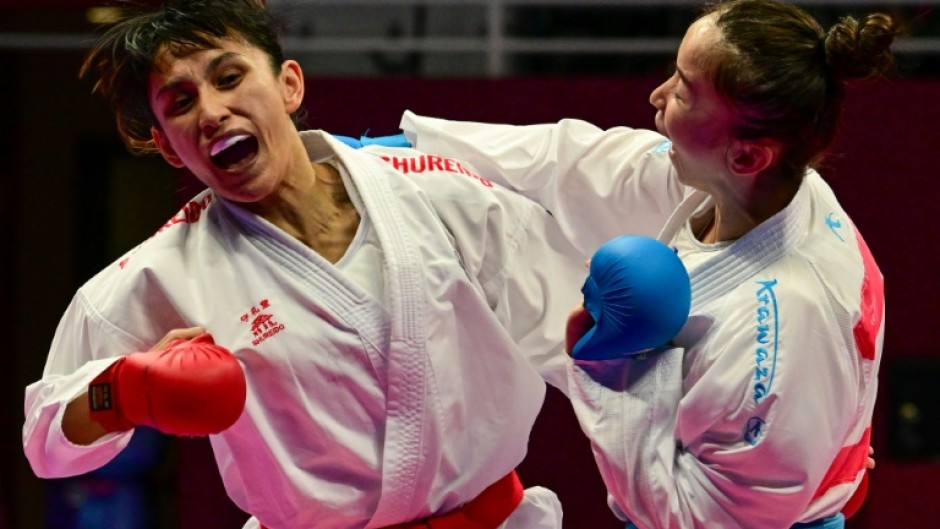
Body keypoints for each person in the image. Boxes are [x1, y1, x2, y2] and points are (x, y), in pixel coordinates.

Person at [21, 1, 597, 528]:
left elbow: (584, 348)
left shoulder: (440, 195)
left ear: (289, 84)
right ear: (169, 146)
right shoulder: (158, 274)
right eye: (181, 102)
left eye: (229, 78)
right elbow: (48, 442)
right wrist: (123, 390)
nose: (213, 112)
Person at [396, 1, 895, 527]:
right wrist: (420, 146)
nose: (656, 97)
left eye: (682, 91)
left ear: (747, 155)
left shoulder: (783, 322)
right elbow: (579, 161)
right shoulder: (763, 185)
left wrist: (622, 374)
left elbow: (693, 519)